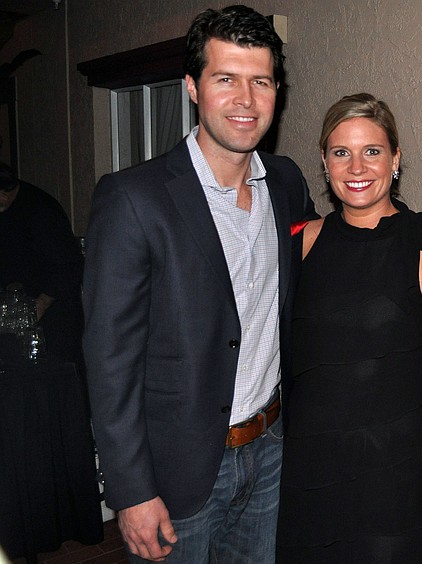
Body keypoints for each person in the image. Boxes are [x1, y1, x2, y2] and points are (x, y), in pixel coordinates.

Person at [83, 6, 317, 562]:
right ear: (192, 87)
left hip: (271, 450)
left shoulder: (285, 182)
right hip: (177, 472)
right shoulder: (133, 199)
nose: (246, 100)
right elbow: (109, 360)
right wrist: (130, 491)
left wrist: (412, 232)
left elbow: (328, 251)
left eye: (261, 81)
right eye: (226, 79)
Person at [277, 93, 422, 563]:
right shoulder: (299, 243)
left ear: (395, 159)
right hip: (310, 466)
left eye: (372, 151)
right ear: (324, 162)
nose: (357, 167)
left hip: (394, 468)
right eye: (341, 152)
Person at [0, 162, 84, 365]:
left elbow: (70, 265)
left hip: (52, 318)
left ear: (3, 194)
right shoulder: (8, 209)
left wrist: (41, 304)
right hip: (18, 313)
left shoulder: (41, 211)